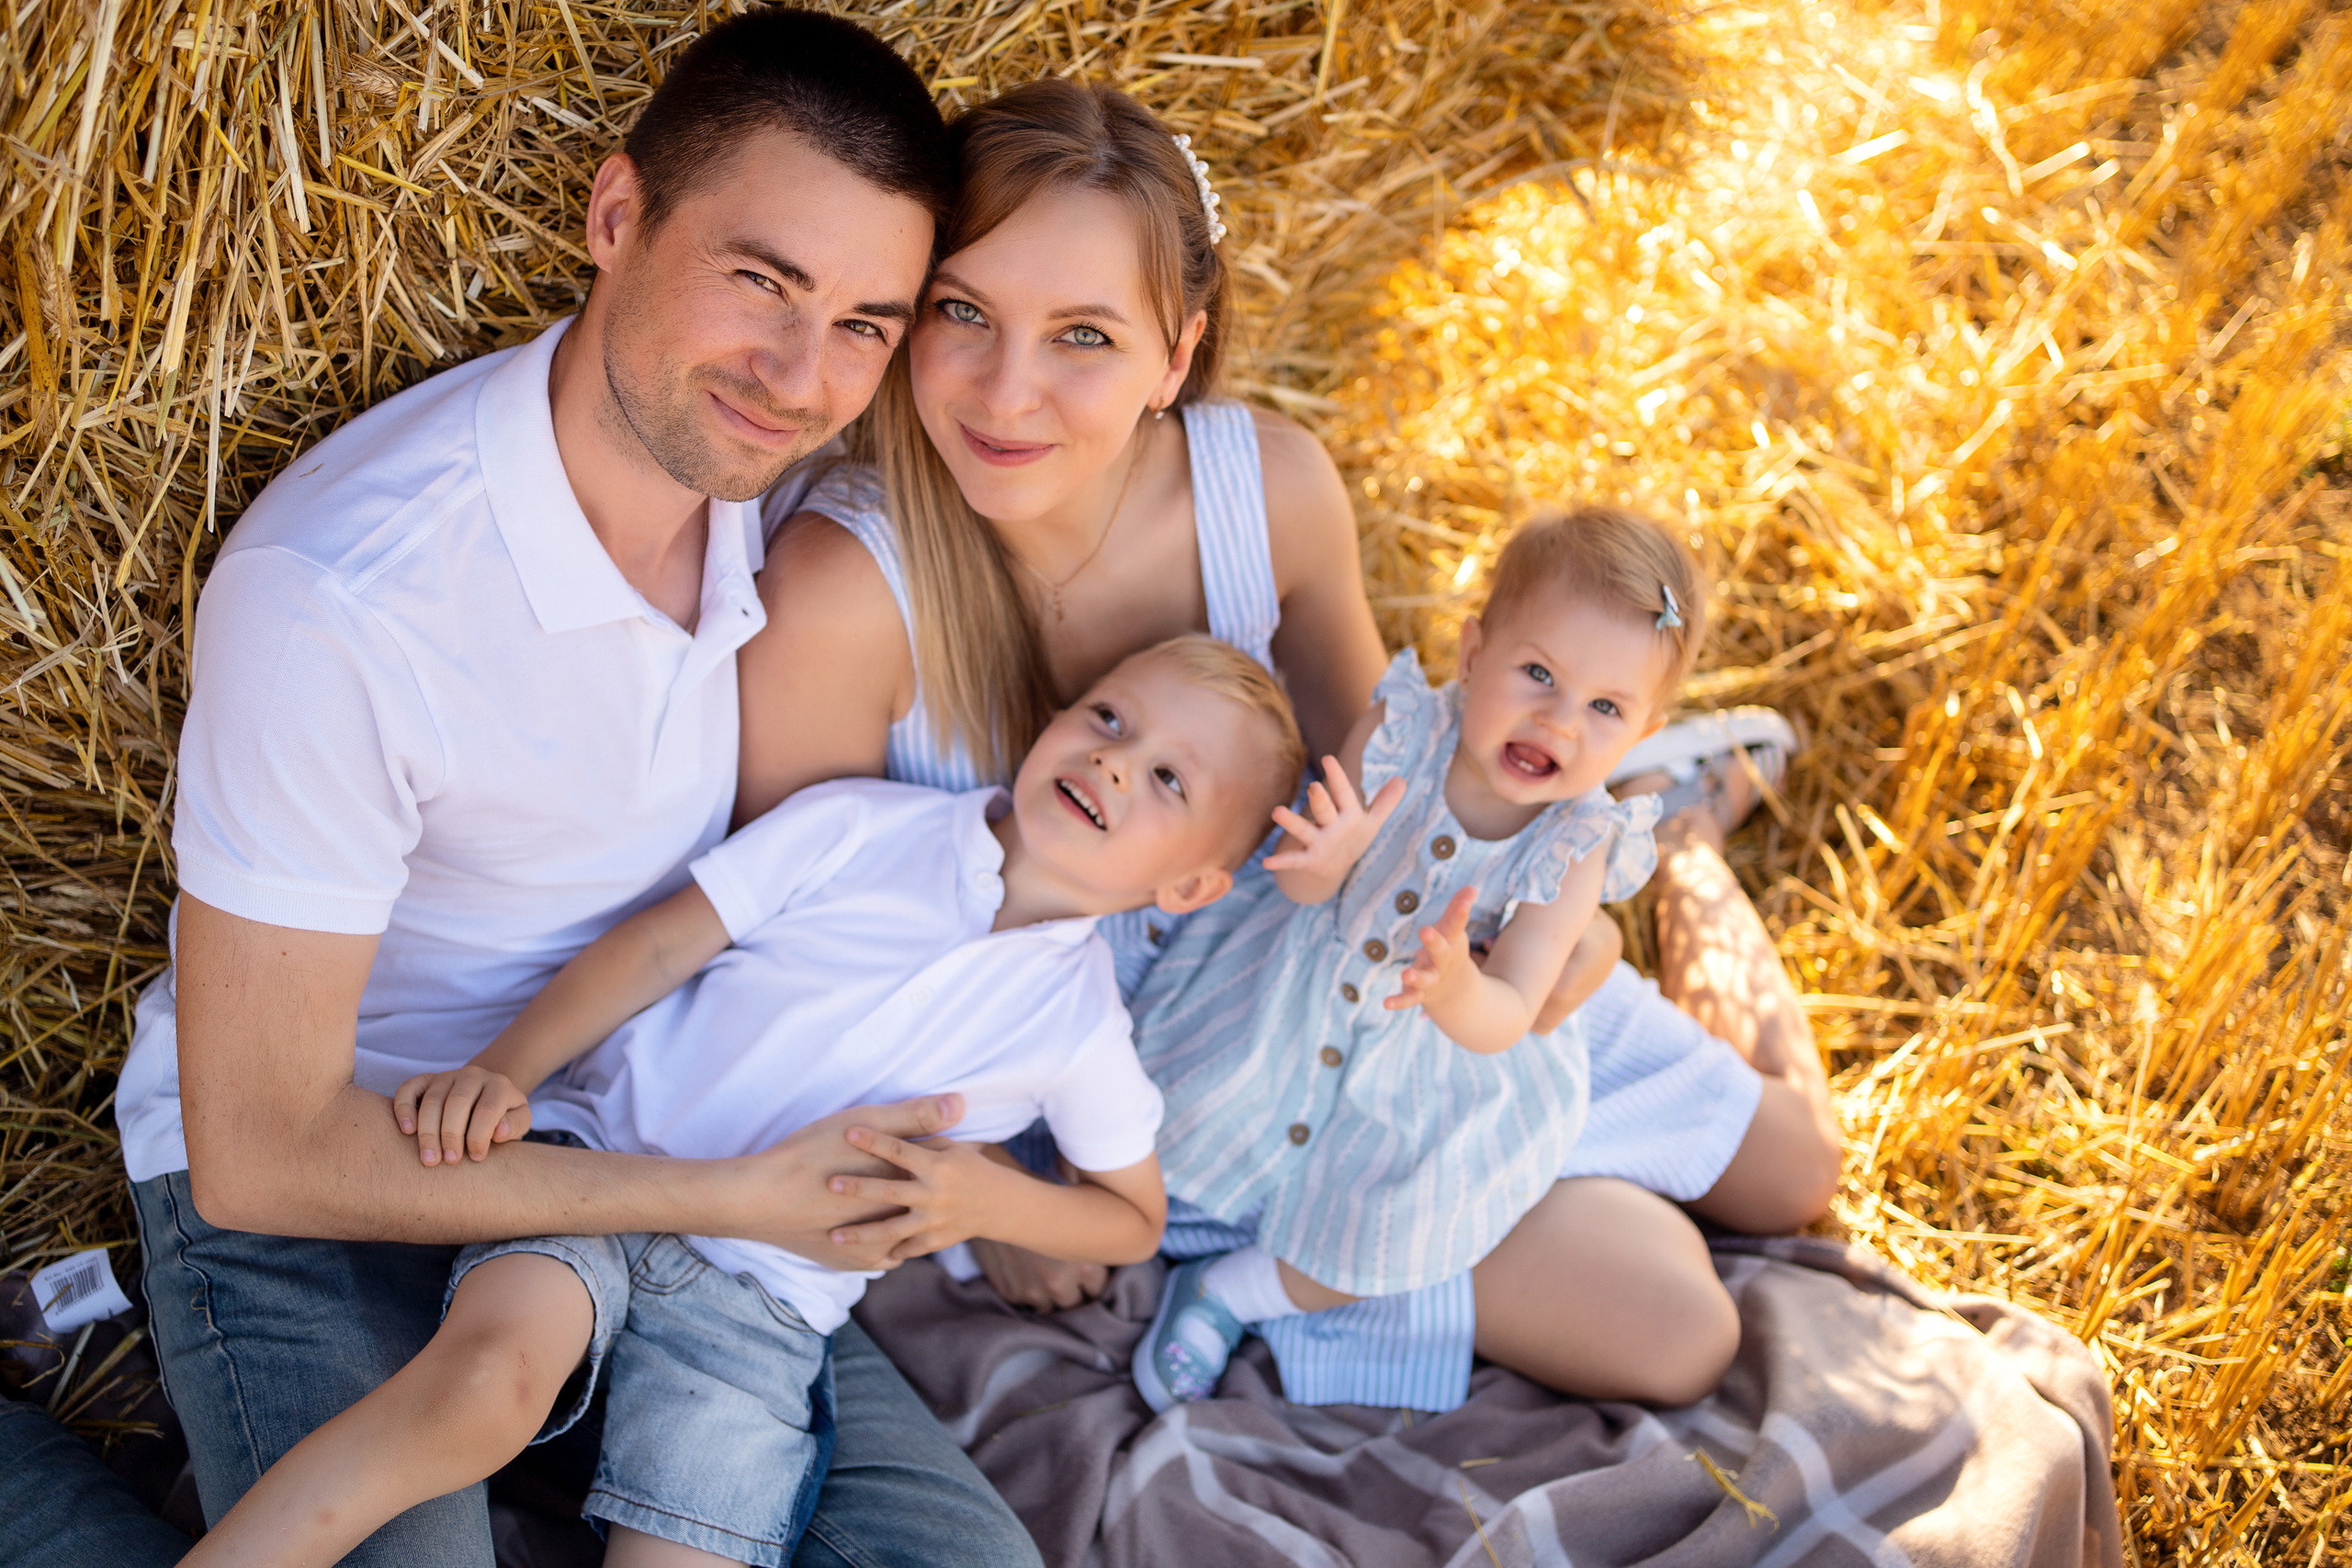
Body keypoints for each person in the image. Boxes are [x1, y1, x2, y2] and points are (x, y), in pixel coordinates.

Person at [76, 12, 1050, 1567]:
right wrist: (734, 1191)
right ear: (614, 217)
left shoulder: (789, 504)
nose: (806, 376)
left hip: (626, 1133)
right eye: (763, 282)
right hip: (328, 1177)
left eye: (867, 322)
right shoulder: (351, 595)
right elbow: (260, 1140)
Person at [734, 73, 1837, 1414]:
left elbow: (1398, 762)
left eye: (1083, 334)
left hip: (1407, 956)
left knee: (1797, 1173)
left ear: (1177, 353)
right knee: (1678, 1326)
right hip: (1192, 1096)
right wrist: (1004, 1192)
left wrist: (1574, 935)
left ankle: (1671, 854)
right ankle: (1443, 1185)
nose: (1006, 389)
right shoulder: (846, 593)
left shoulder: (1266, 488)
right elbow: (799, 966)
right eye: (963, 310)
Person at [179, 637, 1306, 1568]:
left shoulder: (1081, 1027)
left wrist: (983, 1199)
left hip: (763, 1309)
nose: (1117, 762)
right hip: (604, 1172)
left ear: (1192, 889)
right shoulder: (863, 827)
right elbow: (663, 944)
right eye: (1111, 719)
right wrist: (507, 1070)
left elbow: (1131, 1219)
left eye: (1169, 779)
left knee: (691, 1544)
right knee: (482, 1384)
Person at [1129, 508, 1690, 1409]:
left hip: (1433, 1062)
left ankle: (1231, 1292)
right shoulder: (1397, 731)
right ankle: (1119, 1218)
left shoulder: (1577, 843)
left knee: (1398, 1228)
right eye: (1537, 673)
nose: (1557, 720)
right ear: (1472, 655)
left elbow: (1511, 1009)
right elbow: (1309, 892)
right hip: (1290, 994)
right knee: (1180, 1112)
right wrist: (1320, 862)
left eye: (1604, 708)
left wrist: (1457, 988)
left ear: (1641, 733)